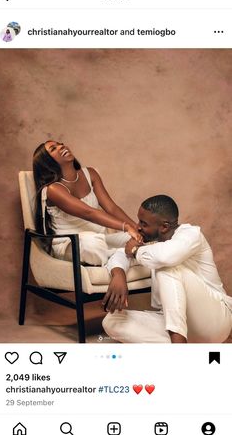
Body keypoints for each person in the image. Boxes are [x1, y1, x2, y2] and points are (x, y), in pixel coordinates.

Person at [102, 195, 232, 343]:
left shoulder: (191, 234)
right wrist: (118, 275)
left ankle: (178, 345)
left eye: (143, 223)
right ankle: (184, 347)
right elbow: (121, 253)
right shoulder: (151, 242)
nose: (137, 227)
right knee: (112, 321)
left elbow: (166, 257)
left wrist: (135, 251)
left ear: (164, 227)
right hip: (179, 325)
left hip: (215, 319)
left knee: (167, 268)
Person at [33, 140, 141, 266]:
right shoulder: (53, 189)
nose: (61, 146)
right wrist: (126, 227)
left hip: (100, 238)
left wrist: (136, 229)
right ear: (46, 163)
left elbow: (111, 208)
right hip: (71, 244)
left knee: (135, 238)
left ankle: (121, 255)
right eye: (53, 149)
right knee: (93, 244)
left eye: (60, 144)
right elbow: (88, 213)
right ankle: (126, 256)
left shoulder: (90, 173)